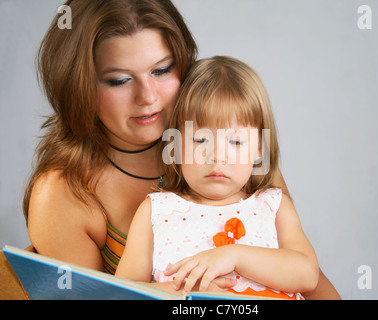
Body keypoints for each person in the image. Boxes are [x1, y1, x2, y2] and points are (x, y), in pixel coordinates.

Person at [19, 0, 340, 299]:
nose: (148, 96)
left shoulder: (236, 156)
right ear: (80, 85)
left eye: (161, 70)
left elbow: (311, 282)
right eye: (118, 80)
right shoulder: (64, 193)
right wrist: (187, 293)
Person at [116, 56, 320, 299]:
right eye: (200, 139)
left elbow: (307, 274)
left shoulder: (272, 206)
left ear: (259, 150)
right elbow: (122, 293)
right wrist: (184, 292)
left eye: (235, 141)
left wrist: (235, 256)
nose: (217, 156)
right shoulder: (157, 211)